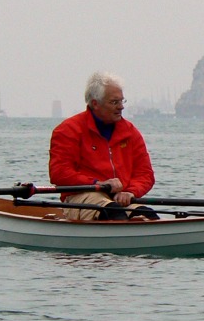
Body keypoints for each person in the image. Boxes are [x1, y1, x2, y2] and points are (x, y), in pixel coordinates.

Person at [49, 71, 158, 221]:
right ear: (95, 104)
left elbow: (145, 174)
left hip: (120, 198)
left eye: (122, 101)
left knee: (149, 216)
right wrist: (98, 184)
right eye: (114, 102)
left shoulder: (130, 132)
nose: (121, 107)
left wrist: (131, 192)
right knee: (113, 214)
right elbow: (59, 172)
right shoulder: (68, 130)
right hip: (82, 196)